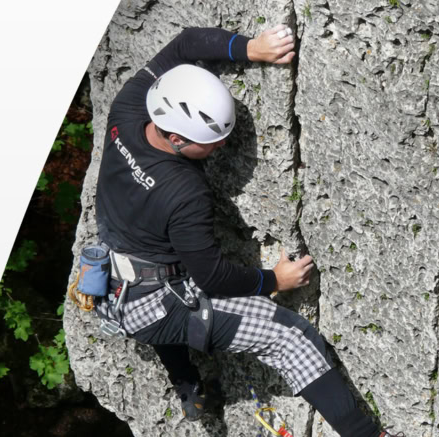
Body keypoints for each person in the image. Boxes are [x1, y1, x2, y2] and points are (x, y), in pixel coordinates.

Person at [87, 25, 404, 437]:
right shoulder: (185, 193)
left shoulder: (129, 109)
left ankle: (189, 386)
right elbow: (213, 278)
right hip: (150, 302)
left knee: (170, 292)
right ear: (178, 138)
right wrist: (276, 279)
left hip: (111, 278)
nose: (220, 147)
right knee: (288, 337)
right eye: (213, 142)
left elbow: (184, 44)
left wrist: (251, 49)